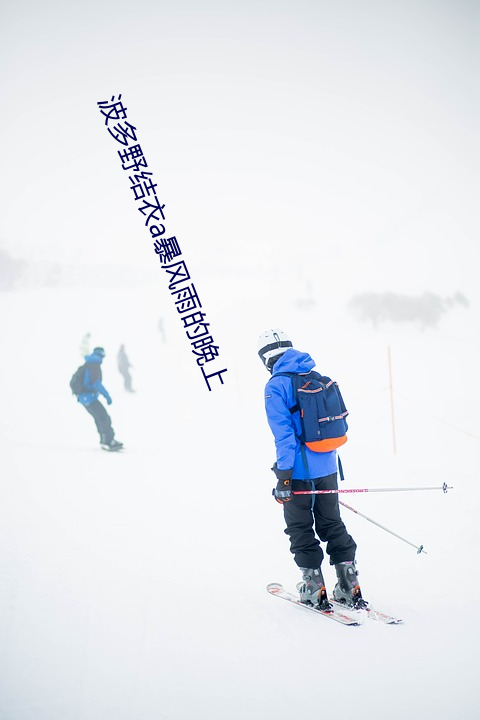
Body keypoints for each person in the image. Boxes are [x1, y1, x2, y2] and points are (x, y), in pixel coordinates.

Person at [258, 328, 366, 610]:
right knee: (331, 523)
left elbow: (284, 437)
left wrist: (284, 478)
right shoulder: (316, 377)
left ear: (266, 358)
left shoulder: (275, 386)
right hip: (328, 466)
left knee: (300, 527)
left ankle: (313, 587)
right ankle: (349, 585)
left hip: (298, 472)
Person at [76, 346, 123, 451]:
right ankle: (108, 441)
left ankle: (104, 440)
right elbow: (96, 383)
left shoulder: (89, 363)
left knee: (100, 418)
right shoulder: (94, 365)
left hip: (85, 398)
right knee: (104, 418)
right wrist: (107, 396)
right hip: (89, 398)